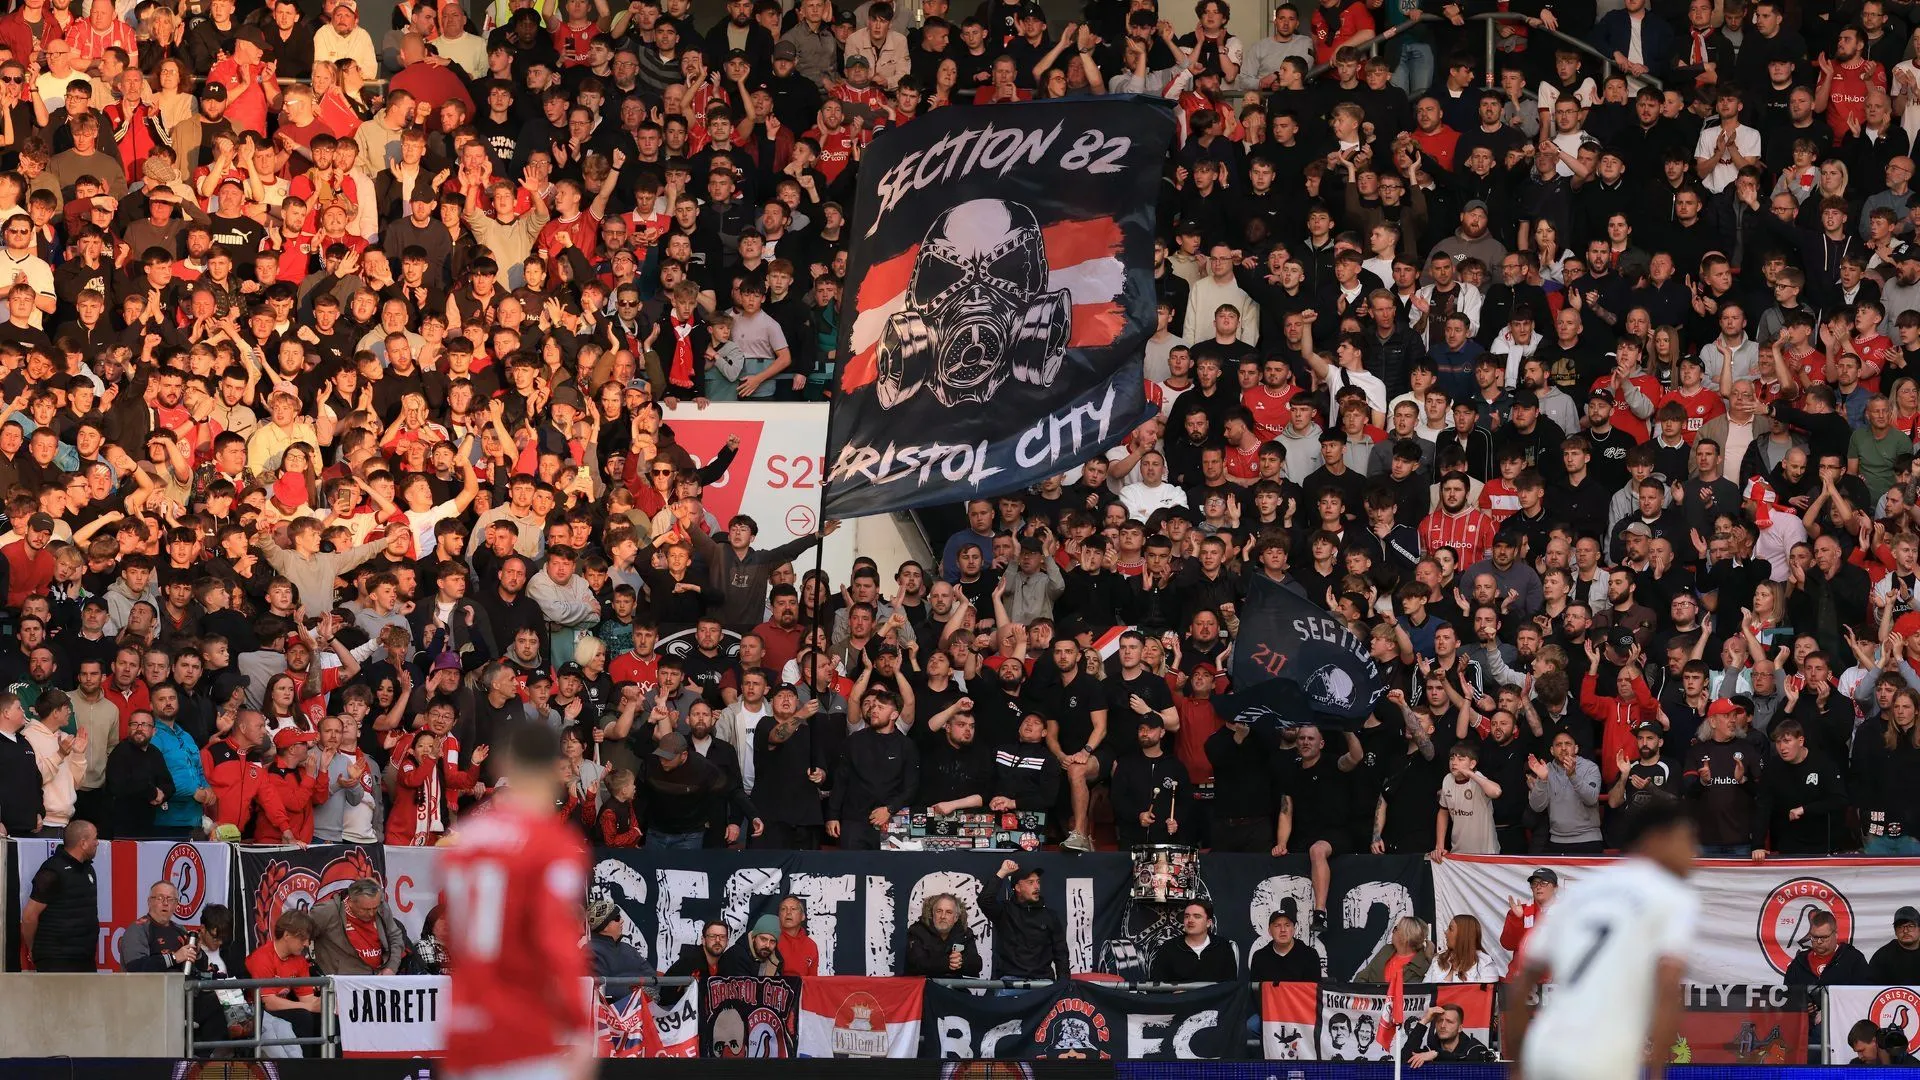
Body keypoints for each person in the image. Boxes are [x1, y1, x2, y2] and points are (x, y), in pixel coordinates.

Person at [1505, 801, 1700, 1080]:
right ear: (1658, 839)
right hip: (1602, 1053)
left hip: (1544, 1045)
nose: (1694, 852)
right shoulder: (1672, 895)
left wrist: (1518, 1065)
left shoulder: (1585, 890)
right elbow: (1668, 987)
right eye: (1687, 839)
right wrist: (1657, 1071)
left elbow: (1523, 981)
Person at [442, 721, 593, 1080]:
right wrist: (576, 1026)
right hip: (526, 1030)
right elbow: (556, 942)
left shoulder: (464, 841)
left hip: (466, 1022)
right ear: (551, 768)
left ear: (506, 764)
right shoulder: (552, 844)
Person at [21, 820, 100, 971]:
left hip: (85, 957)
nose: (97, 843)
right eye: (95, 838)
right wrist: (33, 948)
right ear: (83, 843)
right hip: (56, 959)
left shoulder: (89, 870)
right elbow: (29, 916)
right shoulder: (52, 871)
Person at [245, 909, 325, 1057]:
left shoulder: (299, 960)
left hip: (283, 1007)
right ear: (287, 935)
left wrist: (328, 1006)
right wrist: (308, 1006)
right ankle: (303, 1067)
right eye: (303, 939)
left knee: (326, 1016)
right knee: (303, 1016)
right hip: (258, 1012)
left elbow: (308, 998)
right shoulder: (262, 957)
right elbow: (268, 1002)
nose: (307, 944)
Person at [981, 859, 1069, 981]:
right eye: (1030, 882)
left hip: (1042, 982)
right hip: (1009, 982)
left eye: (1038, 882)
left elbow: (1061, 953)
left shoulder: (1050, 916)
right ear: (1017, 887)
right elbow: (984, 901)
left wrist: (1063, 986)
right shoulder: (1005, 911)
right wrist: (1002, 872)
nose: (1037, 886)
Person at [307, 877, 407, 975]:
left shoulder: (381, 907)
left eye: (374, 908)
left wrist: (391, 968)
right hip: (342, 983)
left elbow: (395, 937)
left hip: (377, 979)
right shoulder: (327, 912)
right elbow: (301, 936)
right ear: (350, 902)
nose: (371, 913)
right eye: (365, 909)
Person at [1148, 900, 1239, 982]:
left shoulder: (1223, 947)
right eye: (1187, 916)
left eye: (1197, 916)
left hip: (1214, 1000)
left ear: (1208, 923)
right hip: (1180, 1000)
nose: (1190, 920)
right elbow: (1155, 987)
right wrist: (1173, 995)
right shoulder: (1169, 948)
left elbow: (1230, 987)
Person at [120, 881, 201, 972]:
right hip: (149, 985)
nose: (165, 903)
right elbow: (135, 967)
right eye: (160, 898)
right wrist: (174, 958)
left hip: (180, 985)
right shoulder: (138, 929)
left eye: (170, 899)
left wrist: (197, 952)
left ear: (176, 905)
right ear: (149, 902)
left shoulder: (180, 930)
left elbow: (203, 967)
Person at [1782, 909, 1875, 986]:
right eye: (1814, 937)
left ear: (1835, 934)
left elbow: (1864, 995)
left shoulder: (1853, 959)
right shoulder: (1799, 962)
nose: (1819, 941)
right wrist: (1803, 1004)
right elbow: (1788, 997)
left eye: (1824, 937)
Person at [905, 892, 982, 977]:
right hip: (925, 988)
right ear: (932, 914)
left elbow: (977, 964)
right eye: (939, 911)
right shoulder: (917, 931)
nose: (943, 916)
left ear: (956, 917)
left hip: (954, 988)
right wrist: (948, 963)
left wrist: (961, 962)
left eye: (948, 912)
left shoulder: (965, 933)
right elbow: (917, 963)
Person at [1402, 1002, 1497, 1065]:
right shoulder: (1430, 1049)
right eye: (1439, 1021)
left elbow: (1466, 1059)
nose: (1443, 1025)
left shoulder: (1475, 1048)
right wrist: (1424, 1021)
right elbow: (1405, 1058)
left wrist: (1437, 1055)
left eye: (1449, 1021)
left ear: (1460, 1028)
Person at [1248, 904, 1323, 982]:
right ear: (1269, 931)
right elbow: (1255, 991)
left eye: (1287, 925)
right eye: (1277, 925)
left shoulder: (1310, 955)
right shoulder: (1260, 957)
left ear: (1294, 929)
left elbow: (1313, 991)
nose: (1283, 929)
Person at [587, 899, 647, 980]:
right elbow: (601, 988)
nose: (622, 921)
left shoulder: (628, 948)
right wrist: (635, 991)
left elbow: (651, 976)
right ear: (604, 926)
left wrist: (647, 991)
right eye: (617, 918)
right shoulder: (591, 952)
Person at [1869, 905, 1920, 983]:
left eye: (1910, 926)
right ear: (1895, 931)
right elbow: (1871, 991)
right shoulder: (1882, 956)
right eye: (1900, 927)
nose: (1905, 931)